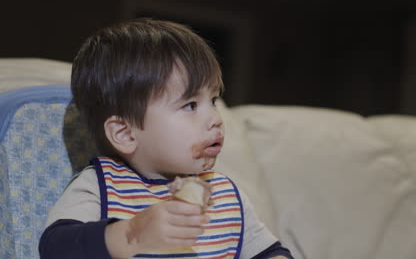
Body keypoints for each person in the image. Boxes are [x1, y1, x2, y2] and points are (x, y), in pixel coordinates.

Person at [39, 18, 292, 259]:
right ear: (125, 133)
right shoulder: (101, 185)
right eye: (191, 105)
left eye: (213, 101)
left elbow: (268, 251)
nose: (215, 118)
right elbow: (55, 248)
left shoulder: (224, 194)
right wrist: (133, 233)